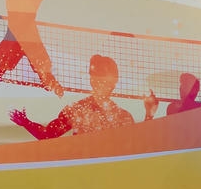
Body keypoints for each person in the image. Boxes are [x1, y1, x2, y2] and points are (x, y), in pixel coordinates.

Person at [11, 54, 157, 140]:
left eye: (106, 80)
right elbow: (48, 135)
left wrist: (149, 114)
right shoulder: (78, 110)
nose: (104, 84)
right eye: (102, 79)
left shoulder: (122, 116)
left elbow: (135, 147)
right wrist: (26, 123)